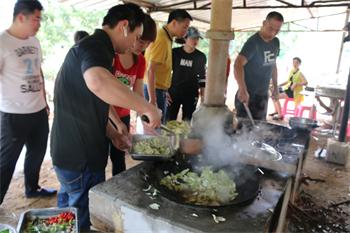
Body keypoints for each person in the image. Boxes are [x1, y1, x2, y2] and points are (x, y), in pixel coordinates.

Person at [51, 4, 161, 230]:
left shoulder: (95, 48)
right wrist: (147, 108)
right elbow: (98, 83)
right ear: (123, 27)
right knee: (82, 218)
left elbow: (91, 102)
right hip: (81, 158)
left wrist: (112, 132)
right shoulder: (96, 46)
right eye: (136, 36)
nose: (135, 44)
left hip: (68, 153)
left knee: (66, 216)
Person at [0, 0, 57, 205]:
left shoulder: (34, 41)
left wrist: (44, 98)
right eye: (36, 19)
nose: (39, 24)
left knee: (37, 151)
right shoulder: (2, 42)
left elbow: (38, 71)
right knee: (6, 162)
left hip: (38, 110)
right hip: (12, 114)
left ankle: (32, 188)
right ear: (21, 17)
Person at [109, 14, 157, 176]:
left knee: (119, 156)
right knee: (100, 157)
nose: (143, 47)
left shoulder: (141, 61)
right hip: (105, 114)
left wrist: (145, 119)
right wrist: (115, 122)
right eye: (141, 41)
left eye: (148, 44)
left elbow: (137, 93)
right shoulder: (112, 56)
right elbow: (102, 95)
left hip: (123, 115)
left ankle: (116, 188)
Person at [234, 11, 284, 120]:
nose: (273, 33)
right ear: (264, 23)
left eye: (277, 30)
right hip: (247, 95)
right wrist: (242, 89)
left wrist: (275, 87)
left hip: (262, 96)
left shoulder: (275, 42)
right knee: (243, 131)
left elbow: (273, 64)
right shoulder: (253, 43)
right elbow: (238, 64)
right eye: (271, 29)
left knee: (260, 129)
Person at [144, 9, 192, 122]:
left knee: (158, 126)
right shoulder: (161, 39)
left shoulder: (166, 37)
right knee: (154, 128)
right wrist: (153, 99)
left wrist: (165, 90)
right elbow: (151, 70)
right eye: (185, 27)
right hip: (153, 90)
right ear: (174, 23)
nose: (186, 31)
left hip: (159, 89)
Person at [166, 26, 206, 121]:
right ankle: (168, 137)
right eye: (192, 38)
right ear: (185, 38)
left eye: (197, 38)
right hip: (174, 92)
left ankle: (184, 136)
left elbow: (202, 77)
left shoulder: (201, 57)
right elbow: (166, 72)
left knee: (187, 122)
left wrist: (203, 96)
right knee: (169, 121)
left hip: (191, 93)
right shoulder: (174, 53)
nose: (195, 41)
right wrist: (165, 90)